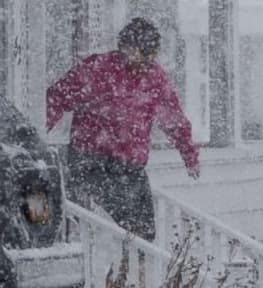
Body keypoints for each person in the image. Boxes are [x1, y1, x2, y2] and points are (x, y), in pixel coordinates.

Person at [46, 17, 199, 241]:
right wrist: (36, 136)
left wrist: (189, 154)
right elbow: (57, 99)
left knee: (144, 233)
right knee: (115, 226)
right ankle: (113, 258)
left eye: (149, 55)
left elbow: (173, 120)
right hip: (91, 161)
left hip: (130, 165)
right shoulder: (97, 69)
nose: (143, 60)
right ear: (125, 46)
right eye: (139, 52)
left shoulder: (155, 77)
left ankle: (134, 270)